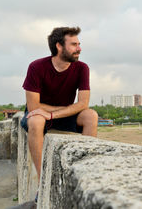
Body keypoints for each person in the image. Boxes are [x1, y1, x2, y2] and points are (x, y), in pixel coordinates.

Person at [20, 27, 98, 203]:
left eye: (79, 44)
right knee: (37, 120)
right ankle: (43, 181)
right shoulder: (37, 67)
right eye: (74, 44)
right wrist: (59, 111)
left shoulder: (82, 68)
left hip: (61, 115)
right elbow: (34, 106)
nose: (79, 48)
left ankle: (85, 176)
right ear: (59, 46)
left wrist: (54, 114)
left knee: (91, 116)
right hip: (38, 115)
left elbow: (83, 104)